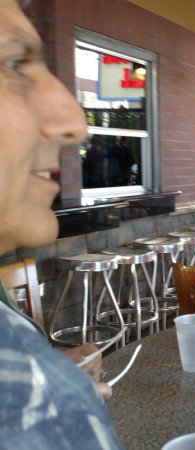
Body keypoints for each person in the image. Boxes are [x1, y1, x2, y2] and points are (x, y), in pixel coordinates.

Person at [0, 0, 121, 447]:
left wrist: (54, 366)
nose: (76, 122)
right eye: (14, 63)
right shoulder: (34, 407)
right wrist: (61, 397)